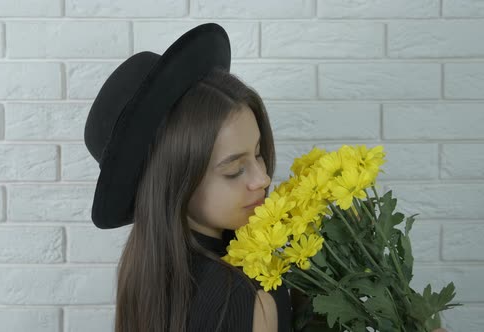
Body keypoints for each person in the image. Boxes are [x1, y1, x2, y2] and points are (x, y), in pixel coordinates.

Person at [84, 23, 448, 332]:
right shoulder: (246, 296)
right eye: (233, 169)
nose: (262, 179)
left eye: (258, 153)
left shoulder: (147, 279)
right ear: (175, 184)